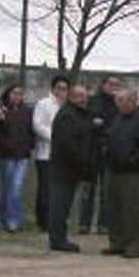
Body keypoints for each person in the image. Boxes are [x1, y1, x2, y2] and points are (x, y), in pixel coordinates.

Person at [102, 90, 139, 259]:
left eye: (121, 101)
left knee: (131, 210)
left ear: (132, 102)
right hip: (113, 170)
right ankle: (117, 241)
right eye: (117, 101)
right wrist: (107, 154)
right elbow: (107, 138)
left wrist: (131, 161)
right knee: (114, 208)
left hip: (133, 174)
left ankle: (134, 244)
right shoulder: (116, 119)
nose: (117, 104)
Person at [47, 85, 96, 253]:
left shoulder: (80, 114)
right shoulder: (67, 115)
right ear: (72, 98)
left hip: (72, 169)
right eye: (79, 96)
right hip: (64, 168)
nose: (84, 99)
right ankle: (57, 240)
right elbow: (67, 145)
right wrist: (81, 162)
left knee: (64, 205)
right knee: (59, 205)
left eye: (85, 96)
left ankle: (59, 237)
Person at [79, 74, 121, 235]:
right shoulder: (93, 101)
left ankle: (104, 225)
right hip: (92, 150)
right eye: (111, 84)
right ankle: (84, 224)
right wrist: (95, 123)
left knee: (107, 191)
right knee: (88, 189)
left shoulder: (119, 103)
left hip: (110, 151)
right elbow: (88, 121)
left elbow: (118, 125)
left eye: (117, 84)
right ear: (103, 85)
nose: (114, 87)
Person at [0, 83, 35, 233]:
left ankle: (13, 221)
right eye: (14, 93)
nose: (17, 96)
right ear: (8, 94)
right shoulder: (1, 110)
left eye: (20, 94)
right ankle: (3, 219)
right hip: (5, 156)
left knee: (16, 188)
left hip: (22, 156)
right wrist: (4, 144)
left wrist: (29, 145)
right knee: (7, 188)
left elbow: (31, 131)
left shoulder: (27, 111)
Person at [32, 74, 70, 231]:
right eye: (59, 88)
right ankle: (43, 221)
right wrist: (55, 139)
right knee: (45, 189)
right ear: (53, 89)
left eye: (65, 89)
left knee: (57, 190)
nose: (61, 91)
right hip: (45, 154)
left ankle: (55, 220)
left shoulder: (67, 106)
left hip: (62, 156)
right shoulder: (44, 104)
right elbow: (38, 125)